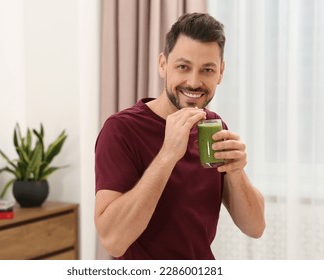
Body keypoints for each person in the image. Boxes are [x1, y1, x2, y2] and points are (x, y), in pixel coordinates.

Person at [94, 13, 265, 260]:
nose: (194, 82)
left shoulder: (213, 127)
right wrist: (167, 155)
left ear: (220, 72)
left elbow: (255, 227)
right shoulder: (121, 130)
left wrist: (236, 171)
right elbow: (113, 241)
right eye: (183, 66)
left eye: (207, 69)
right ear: (163, 65)